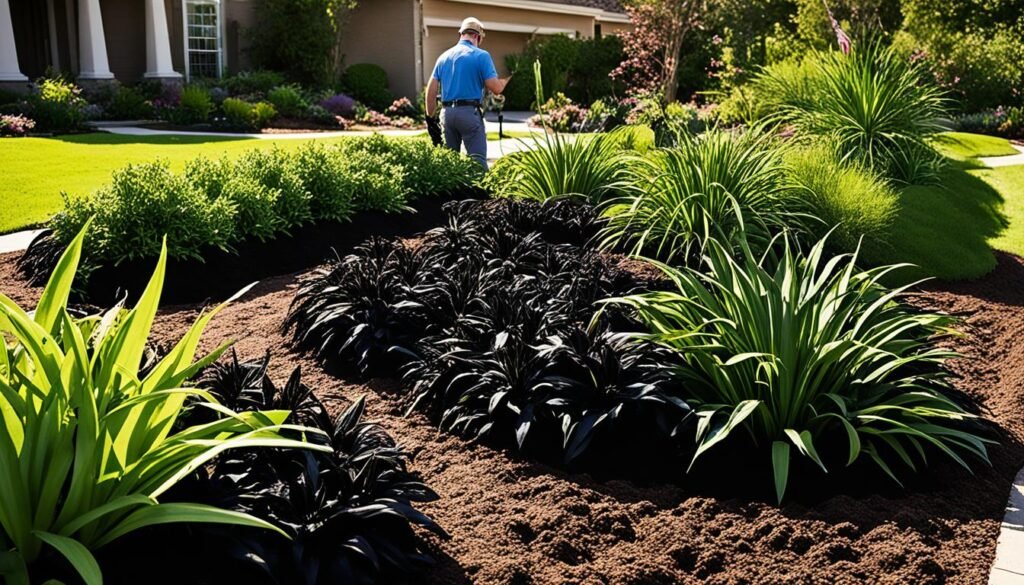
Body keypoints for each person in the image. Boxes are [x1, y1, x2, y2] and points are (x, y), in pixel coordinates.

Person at [425, 17, 510, 169]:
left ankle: (455, 192)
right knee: (477, 163)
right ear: (478, 37)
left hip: (447, 114)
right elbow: (496, 88)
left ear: (461, 34)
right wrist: (503, 83)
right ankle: (479, 192)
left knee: (451, 164)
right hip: (469, 114)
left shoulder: (443, 57)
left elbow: (431, 91)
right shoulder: (481, 55)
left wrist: (431, 119)